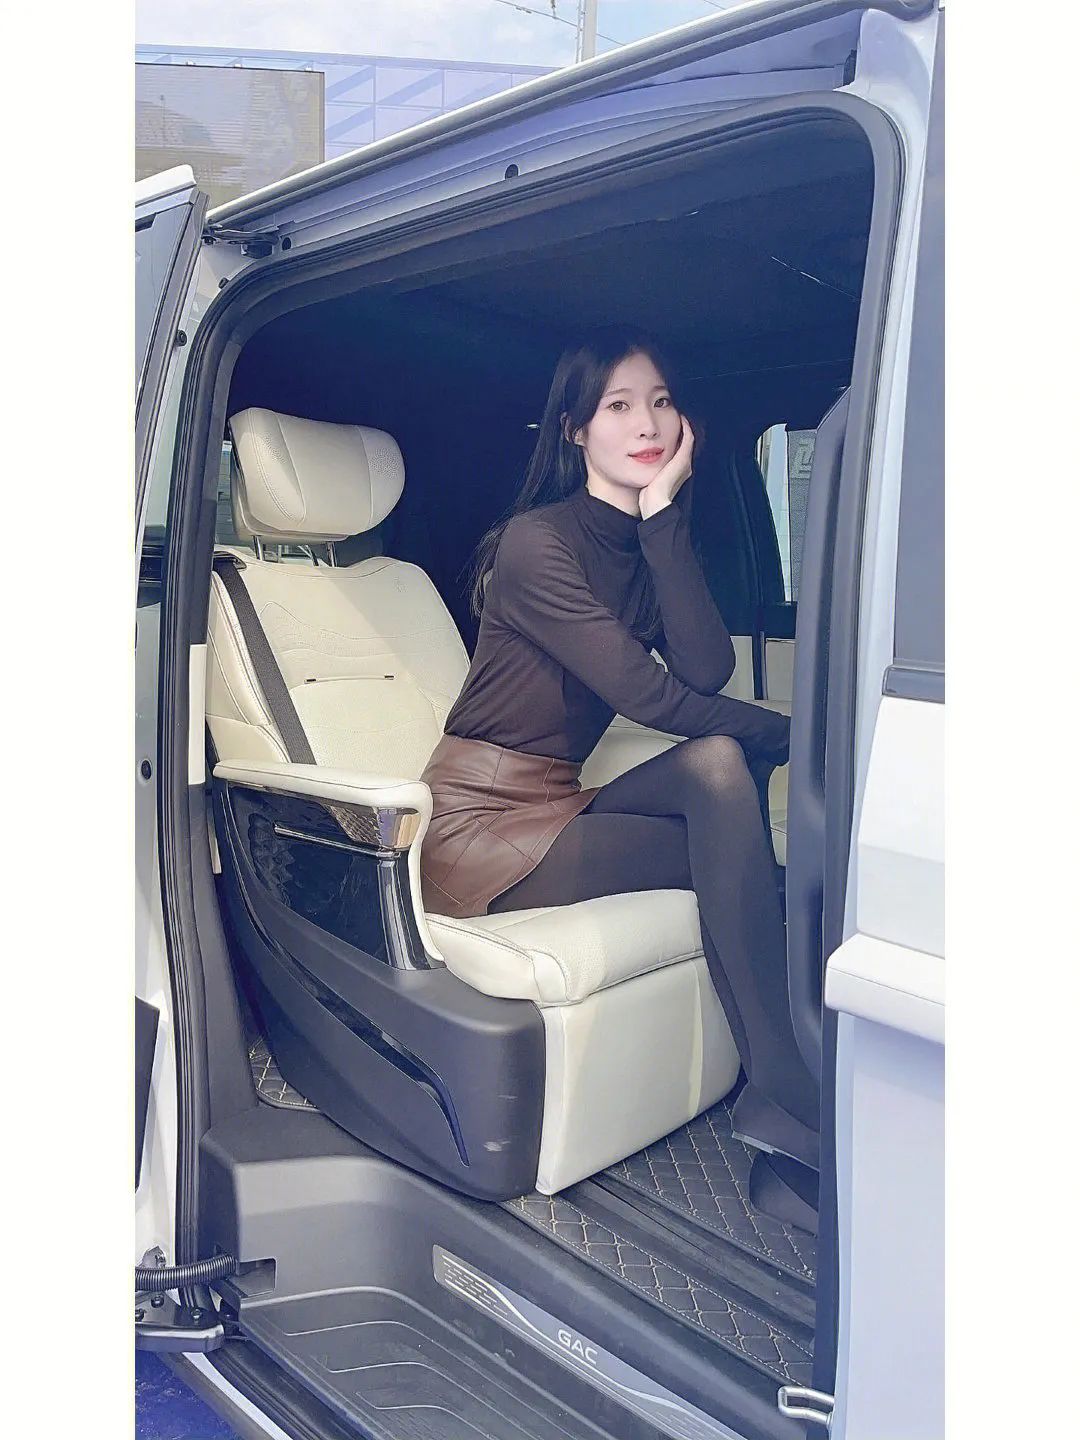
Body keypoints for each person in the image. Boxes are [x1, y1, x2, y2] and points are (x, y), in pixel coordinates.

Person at [419, 327, 818, 1168]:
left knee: (720, 775)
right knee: (734, 815)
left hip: (555, 801)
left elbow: (706, 669)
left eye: (662, 402)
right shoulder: (536, 544)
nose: (648, 423)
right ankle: (788, 1088)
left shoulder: (644, 543)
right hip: (477, 826)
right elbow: (650, 696)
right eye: (619, 405)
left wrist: (663, 515)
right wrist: (797, 737)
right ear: (574, 430)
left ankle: (782, 1081)